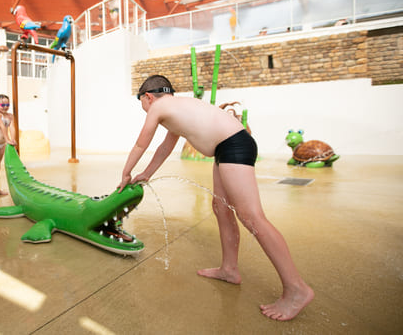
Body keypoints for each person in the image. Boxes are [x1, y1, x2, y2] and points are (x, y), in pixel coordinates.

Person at [118, 75, 314, 321]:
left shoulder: (158, 107)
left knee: (252, 217)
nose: (146, 110)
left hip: (233, 145)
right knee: (220, 207)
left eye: (142, 105)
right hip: (227, 146)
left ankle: (297, 288)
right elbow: (166, 147)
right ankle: (229, 269)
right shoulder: (179, 108)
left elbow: (141, 145)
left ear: (147, 97)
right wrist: (146, 173)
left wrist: (126, 173)